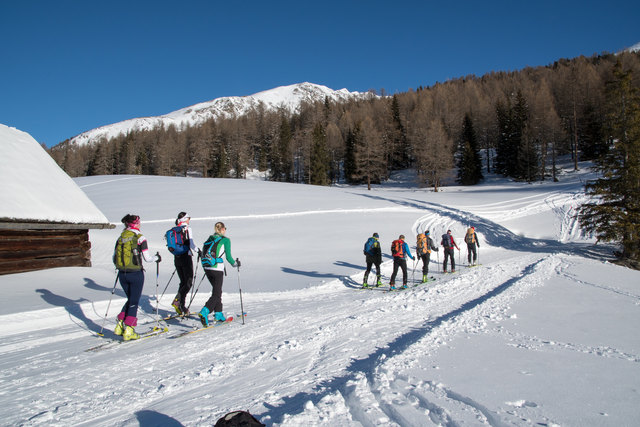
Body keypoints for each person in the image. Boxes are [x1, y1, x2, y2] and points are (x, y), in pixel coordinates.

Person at [113, 214, 161, 341]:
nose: (140, 224)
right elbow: (147, 258)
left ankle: (119, 324)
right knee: (134, 301)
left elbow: (114, 257)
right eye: (139, 222)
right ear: (135, 224)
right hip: (135, 273)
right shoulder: (140, 237)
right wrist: (157, 258)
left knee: (130, 299)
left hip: (122, 273)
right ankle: (129, 328)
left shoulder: (121, 237)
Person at [199, 222, 239, 326]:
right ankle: (205, 311)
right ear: (222, 229)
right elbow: (229, 257)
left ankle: (218, 313)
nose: (225, 230)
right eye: (225, 228)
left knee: (217, 291)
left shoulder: (209, 239)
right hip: (217, 268)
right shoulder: (225, 240)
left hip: (207, 267)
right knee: (216, 293)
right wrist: (236, 264)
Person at [171, 212, 200, 315]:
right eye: (188, 218)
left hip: (177, 257)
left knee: (183, 282)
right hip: (186, 257)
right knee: (188, 282)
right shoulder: (187, 228)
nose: (189, 220)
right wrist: (198, 251)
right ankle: (178, 301)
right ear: (185, 219)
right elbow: (191, 244)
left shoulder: (175, 229)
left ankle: (182, 306)